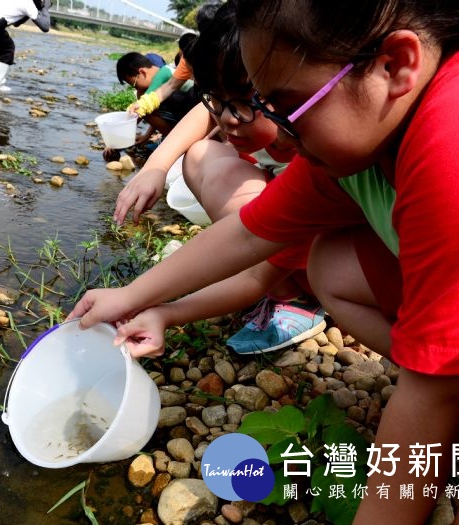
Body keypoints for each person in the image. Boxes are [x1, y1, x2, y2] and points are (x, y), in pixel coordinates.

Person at [70, 1, 459, 522]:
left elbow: (435, 390)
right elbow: (251, 233)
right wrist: (135, 297)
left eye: (280, 104)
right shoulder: (355, 149)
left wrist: (437, 387)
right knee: (332, 268)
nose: (273, 127)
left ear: (394, 66)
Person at [104, 1, 325, 356]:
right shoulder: (252, 112)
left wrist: (157, 308)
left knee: (286, 258)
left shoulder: (320, 155)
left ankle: (297, 300)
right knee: (200, 154)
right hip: (279, 247)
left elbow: (254, 276)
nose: (226, 119)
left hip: (323, 264)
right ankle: (286, 288)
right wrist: (155, 170)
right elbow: (202, 114)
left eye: (242, 101)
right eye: (216, 100)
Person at [103, 52, 197, 161]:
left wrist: (114, 142)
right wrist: (146, 136)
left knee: (144, 105)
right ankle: (172, 138)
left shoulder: (163, 74)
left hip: (193, 111)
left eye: (134, 84)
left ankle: (176, 141)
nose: (136, 89)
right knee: (145, 103)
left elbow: (139, 113)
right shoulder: (156, 80)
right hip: (183, 114)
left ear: (142, 72)